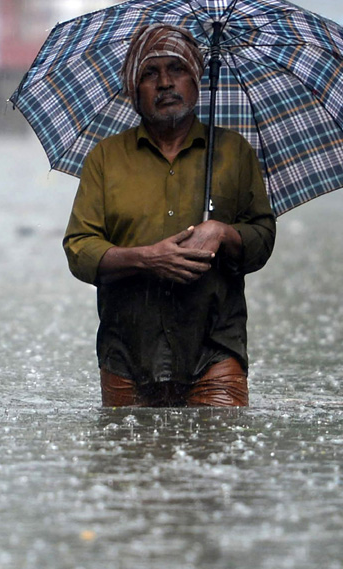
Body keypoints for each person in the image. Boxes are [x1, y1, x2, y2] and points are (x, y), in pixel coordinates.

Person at [63, 24, 276, 407]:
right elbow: (80, 249)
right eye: (149, 73)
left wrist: (223, 232)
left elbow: (262, 238)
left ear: (196, 81)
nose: (164, 83)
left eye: (176, 69)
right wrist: (147, 259)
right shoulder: (106, 158)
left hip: (214, 349)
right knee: (128, 460)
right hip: (127, 352)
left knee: (219, 457)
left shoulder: (233, 153)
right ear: (133, 90)